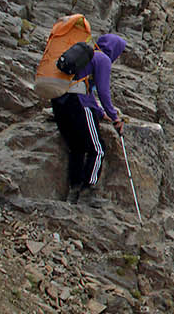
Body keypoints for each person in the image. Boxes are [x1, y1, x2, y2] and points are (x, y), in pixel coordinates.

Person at [52, 33, 127, 203]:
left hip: (60, 102)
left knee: (77, 148)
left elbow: (83, 85)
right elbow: (102, 92)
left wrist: (100, 114)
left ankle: (74, 187)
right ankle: (87, 190)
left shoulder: (86, 57)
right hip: (80, 105)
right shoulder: (102, 59)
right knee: (98, 149)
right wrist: (115, 117)